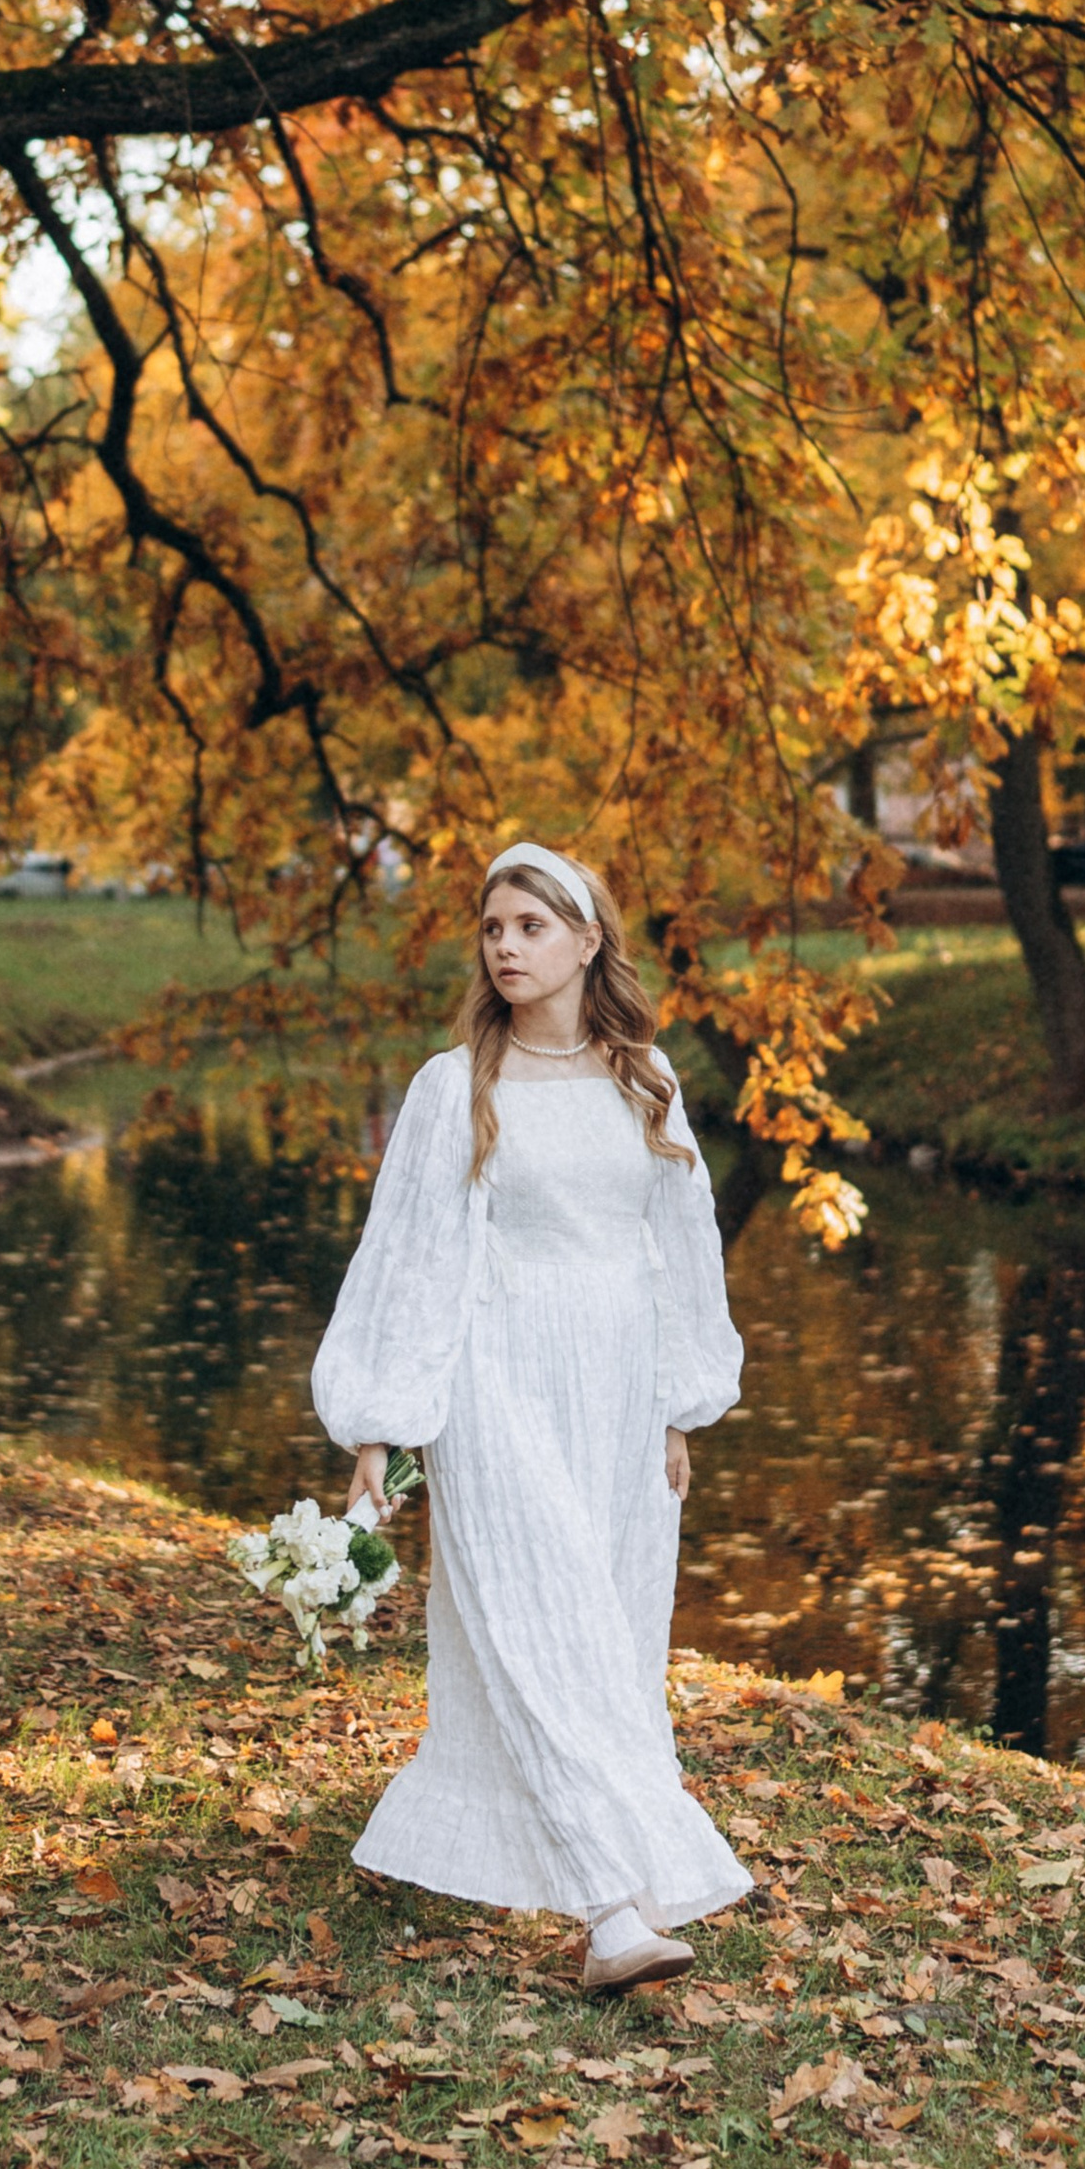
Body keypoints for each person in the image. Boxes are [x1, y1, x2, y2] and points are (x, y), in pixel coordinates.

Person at [312, 843, 752, 1994]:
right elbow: (406, 1262)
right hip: (492, 1381)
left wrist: (678, 1408)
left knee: (605, 1640)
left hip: (616, 1395)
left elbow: (680, 1258)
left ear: (586, 939)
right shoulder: (451, 1087)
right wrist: (378, 1428)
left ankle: (616, 1878)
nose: (505, 947)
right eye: (492, 931)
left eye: (529, 928)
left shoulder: (645, 1079)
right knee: (534, 1618)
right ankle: (617, 1912)